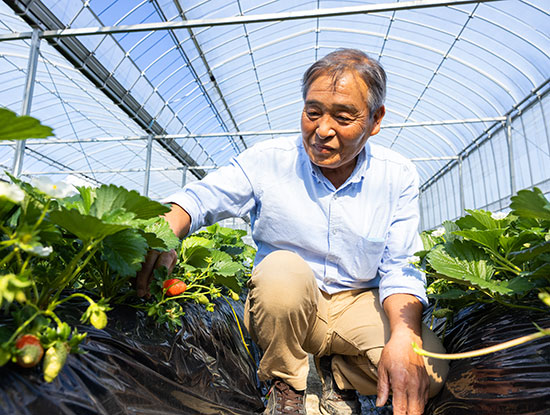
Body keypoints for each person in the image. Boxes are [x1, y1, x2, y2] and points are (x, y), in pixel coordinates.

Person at [136, 49, 448, 415]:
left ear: (375, 120)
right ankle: (286, 386)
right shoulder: (269, 160)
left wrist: (404, 337)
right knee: (282, 271)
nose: (323, 129)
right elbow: (202, 198)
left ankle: (338, 375)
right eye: (312, 112)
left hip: (359, 302)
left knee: (429, 370)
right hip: (286, 305)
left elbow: (400, 266)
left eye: (343, 117)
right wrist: (165, 229)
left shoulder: (397, 175)